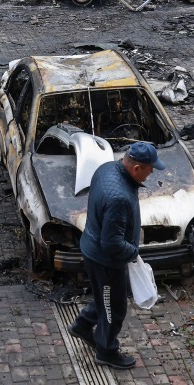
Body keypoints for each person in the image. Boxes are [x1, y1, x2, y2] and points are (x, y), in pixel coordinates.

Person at [69, 141, 165, 370]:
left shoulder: (106, 169)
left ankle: (82, 325)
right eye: (150, 168)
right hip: (105, 261)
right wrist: (133, 252)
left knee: (107, 297)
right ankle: (106, 351)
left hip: (93, 250)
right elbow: (112, 243)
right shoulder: (120, 197)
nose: (151, 173)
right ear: (136, 168)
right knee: (115, 307)